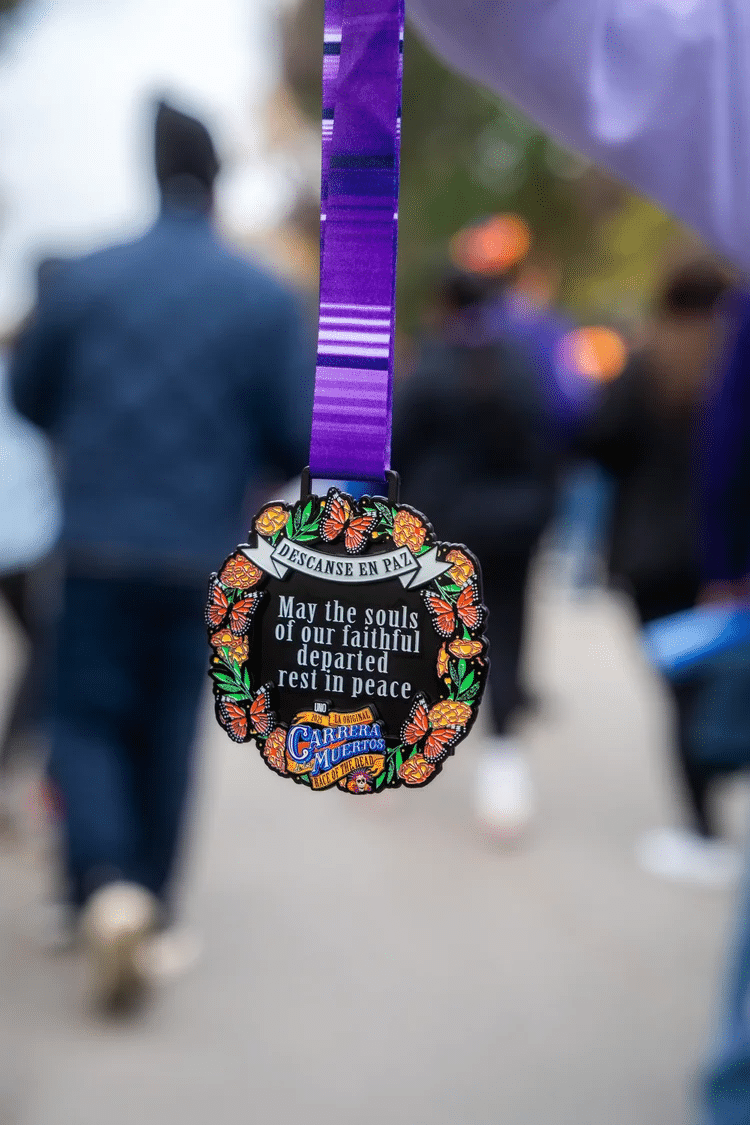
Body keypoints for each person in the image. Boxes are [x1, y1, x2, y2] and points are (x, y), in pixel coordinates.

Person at [405, 4, 750, 1122]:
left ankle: (495, 745)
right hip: (529, 524)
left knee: (490, 640)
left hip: (472, 529)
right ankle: (507, 756)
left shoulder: (560, 358)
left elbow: (617, 48)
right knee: (516, 638)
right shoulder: (551, 349)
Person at [10, 99, 312, 1009]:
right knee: (168, 728)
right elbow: (296, 431)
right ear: (220, 178)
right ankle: (152, 898)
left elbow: (27, 392)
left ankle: (98, 886)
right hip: (202, 549)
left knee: (86, 718)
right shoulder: (261, 295)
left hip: (97, 536)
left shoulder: (89, 279)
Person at [581, 254, 738, 886]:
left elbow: (596, 442)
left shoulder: (645, 363)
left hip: (653, 553)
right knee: (722, 683)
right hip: (722, 556)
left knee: (681, 693)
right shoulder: (734, 364)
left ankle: (701, 827)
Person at [394, 267, 556, 839]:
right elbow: (552, 442)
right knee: (507, 642)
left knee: (423, 642)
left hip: (442, 532)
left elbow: (398, 450)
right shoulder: (521, 365)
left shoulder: (430, 368)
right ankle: (504, 773)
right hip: (512, 530)